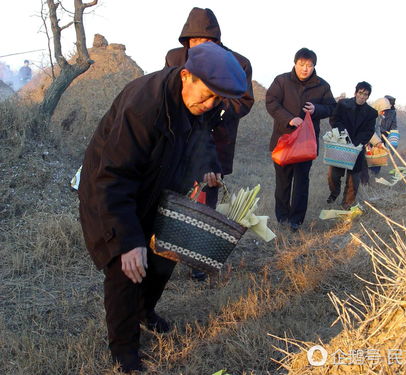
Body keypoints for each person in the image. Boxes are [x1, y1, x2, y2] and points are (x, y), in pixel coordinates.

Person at [78, 42, 247, 373]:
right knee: (126, 267)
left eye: (218, 99)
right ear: (186, 75)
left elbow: (202, 137)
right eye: (208, 94)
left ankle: (145, 311)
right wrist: (127, 241)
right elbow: (113, 177)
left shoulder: (199, 102)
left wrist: (208, 164)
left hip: (160, 185)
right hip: (111, 188)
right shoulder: (144, 107)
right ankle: (125, 350)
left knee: (164, 253)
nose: (210, 103)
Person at [165, 7, 254, 280]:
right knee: (175, 194)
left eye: (205, 41)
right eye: (193, 41)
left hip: (217, 138)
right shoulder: (175, 58)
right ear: (185, 41)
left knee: (206, 200)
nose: (198, 47)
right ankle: (169, 251)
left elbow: (243, 101)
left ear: (216, 41)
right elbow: (169, 92)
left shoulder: (238, 62)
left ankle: (198, 260)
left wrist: (213, 106)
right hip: (181, 137)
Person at [266, 48, 336, 231]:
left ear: (314, 66)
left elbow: (331, 107)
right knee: (283, 181)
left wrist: (317, 109)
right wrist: (289, 118)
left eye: (309, 65)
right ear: (295, 63)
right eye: (302, 64)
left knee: (301, 182)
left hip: (306, 144)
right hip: (284, 140)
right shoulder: (281, 81)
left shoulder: (322, 86)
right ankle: (282, 218)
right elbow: (271, 102)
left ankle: (296, 221)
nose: (305, 69)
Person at [327, 81, 378, 209]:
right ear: (355, 93)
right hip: (341, 143)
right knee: (333, 175)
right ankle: (334, 192)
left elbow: (369, 131)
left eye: (365, 94)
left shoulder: (371, 113)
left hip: (357, 148)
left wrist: (356, 143)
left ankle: (346, 205)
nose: (362, 96)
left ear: (368, 97)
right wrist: (343, 134)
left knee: (353, 179)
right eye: (360, 93)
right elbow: (334, 119)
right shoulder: (343, 104)